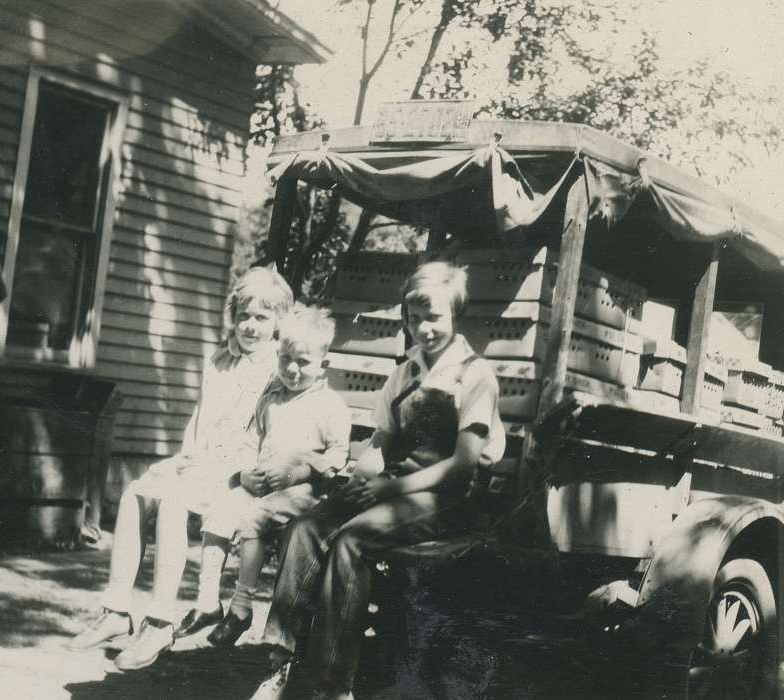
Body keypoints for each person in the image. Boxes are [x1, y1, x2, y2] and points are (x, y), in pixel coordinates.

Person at [249, 261, 506, 700]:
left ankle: (334, 684)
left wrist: (386, 489)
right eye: (413, 317)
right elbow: (381, 445)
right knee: (309, 525)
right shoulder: (404, 372)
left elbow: (463, 465)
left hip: (448, 498)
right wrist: (353, 482)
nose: (422, 328)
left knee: (353, 541)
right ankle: (286, 659)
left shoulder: (475, 374)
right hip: (398, 487)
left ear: (455, 316)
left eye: (433, 317)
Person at [67, 267, 294, 671]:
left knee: (172, 502)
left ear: (278, 322)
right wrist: (186, 456)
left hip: (245, 473)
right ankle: (117, 609)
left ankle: (159, 620)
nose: (250, 326)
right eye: (243, 315)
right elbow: (201, 415)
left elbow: (272, 435)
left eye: (262, 317)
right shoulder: (220, 359)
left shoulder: (279, 369)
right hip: (206, 461)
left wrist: (235, 471)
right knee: (137, 492)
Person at [178, 303, 351, 650]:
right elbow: (251, 441)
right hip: (264, 486)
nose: (292, 368)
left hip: (307, 490)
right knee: (220, 508)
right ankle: (207, 601)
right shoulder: (270, 399)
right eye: (285, 358)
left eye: (303, 362)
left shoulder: (331, 406)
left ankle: (241, 607)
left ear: (323, 365)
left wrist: (301, 470)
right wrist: (244, 475)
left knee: (253, 518)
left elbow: (337, 457)